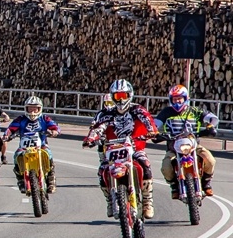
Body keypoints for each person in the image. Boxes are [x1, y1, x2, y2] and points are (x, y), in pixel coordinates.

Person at [82, 79, 158, 219]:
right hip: (113, 151)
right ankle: (110, 201)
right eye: (118, 96)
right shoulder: (106, 114)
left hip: (135, 149)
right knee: (102, 171)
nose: (121, 99)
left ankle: (147, 202)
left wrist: (152, 132)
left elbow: (149, 121)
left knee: (145, 166)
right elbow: (99, 128)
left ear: (130, 95)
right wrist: (91, 139)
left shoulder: (138, 110)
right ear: (112, 97)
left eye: (124, 95)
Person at [154, 85, 218, 197]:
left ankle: (206, 183)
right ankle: (174, 185)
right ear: (170, 100)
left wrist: (210, 126)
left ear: (185, 98)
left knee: (210, 160)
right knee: (166, 166)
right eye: (174, 99)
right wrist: (154, 133)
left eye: (180, 98)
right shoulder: (166, 112)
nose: (177, 101)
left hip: (193, 145)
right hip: (174, 146)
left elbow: (213, 118)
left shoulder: (195, 111)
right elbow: (154, 125)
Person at [3, 96, 60, 194]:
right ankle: (21, 180)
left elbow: (55, 127)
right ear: (26, 108)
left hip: (41, 145)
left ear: (40, 108)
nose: (33, 111)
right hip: (24, 147)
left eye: (35, 108)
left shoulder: (44, 118)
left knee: (48, 153)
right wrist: (6, 136)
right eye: (30, 108)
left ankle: (51, 179)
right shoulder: (20, 119)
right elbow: (10, 129)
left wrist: (54, 132)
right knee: (16, 156)